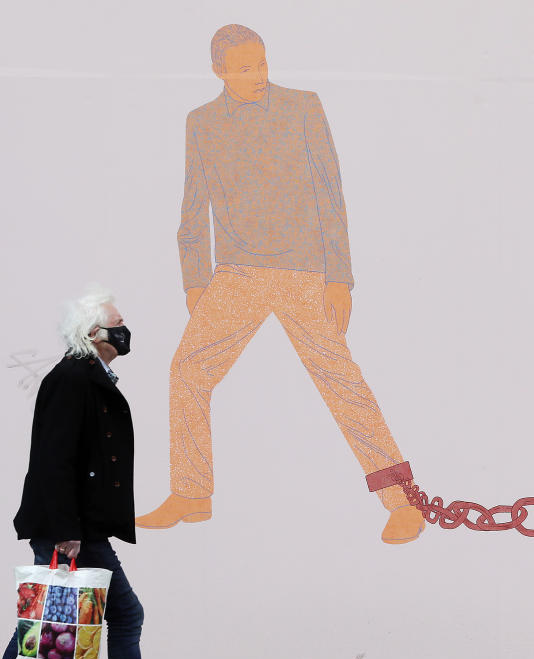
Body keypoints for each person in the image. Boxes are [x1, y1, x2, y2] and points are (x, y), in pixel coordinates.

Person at [134, 24, 425, 543]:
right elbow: (191, 204)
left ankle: (402, 502)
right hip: (236, 275)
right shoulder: (200, 122)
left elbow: (331, 194)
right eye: (245, 68)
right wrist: (194, 280)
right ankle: (191, 494)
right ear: (218, 71)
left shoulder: (303, 106)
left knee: (342, 382)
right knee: (187, 372)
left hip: (303, 273)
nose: (259, 76)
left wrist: (340, 278)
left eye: (263, 64)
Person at [0, 287, 144, 659]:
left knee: (39, 622)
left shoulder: (87, 377)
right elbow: (53, 460)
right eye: (118, 324)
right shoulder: (73, 379)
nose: (125, 330)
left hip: (77, 525)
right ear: (94, 333)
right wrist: (67, 529)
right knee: (126, 616)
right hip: (71, 529)